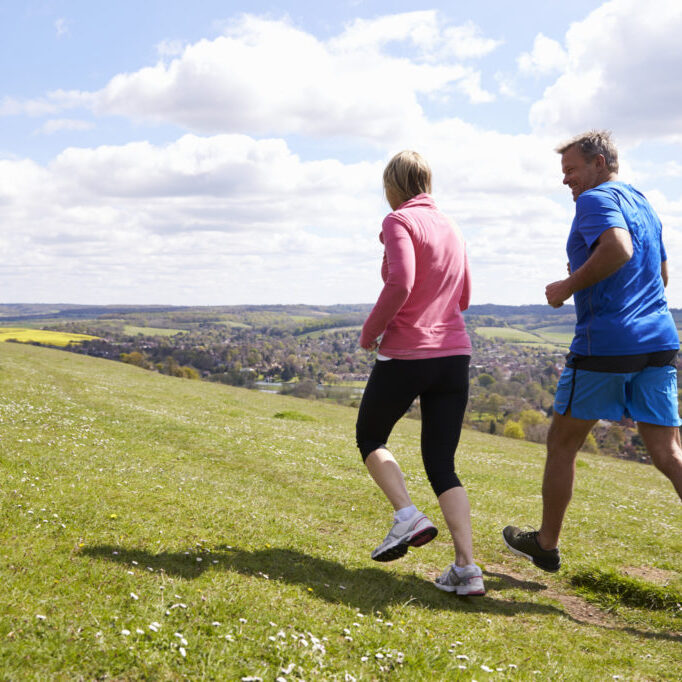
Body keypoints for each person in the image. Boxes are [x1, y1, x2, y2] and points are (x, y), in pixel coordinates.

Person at [503, 130, 682, 573]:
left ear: (599, 163)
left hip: (606, 344)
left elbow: (618, 249)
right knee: (669, 454)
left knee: (562, 444)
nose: (567, 181)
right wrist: (592, 272)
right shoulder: (643, 203)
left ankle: (545, 543)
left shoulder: (595, 199)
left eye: (571, 170)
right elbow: (659, 277)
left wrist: (567, 285)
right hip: (659, 342)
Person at [356, 150, 484, 596]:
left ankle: (407, 516)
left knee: (371, 436)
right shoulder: (452, 225)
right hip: (454, 356)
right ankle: (467, 569)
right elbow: (464, 295)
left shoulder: (399, 221)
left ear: (392, 185)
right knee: (441, 463)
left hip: (409, 353)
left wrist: (371, 332)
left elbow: (401, 282)